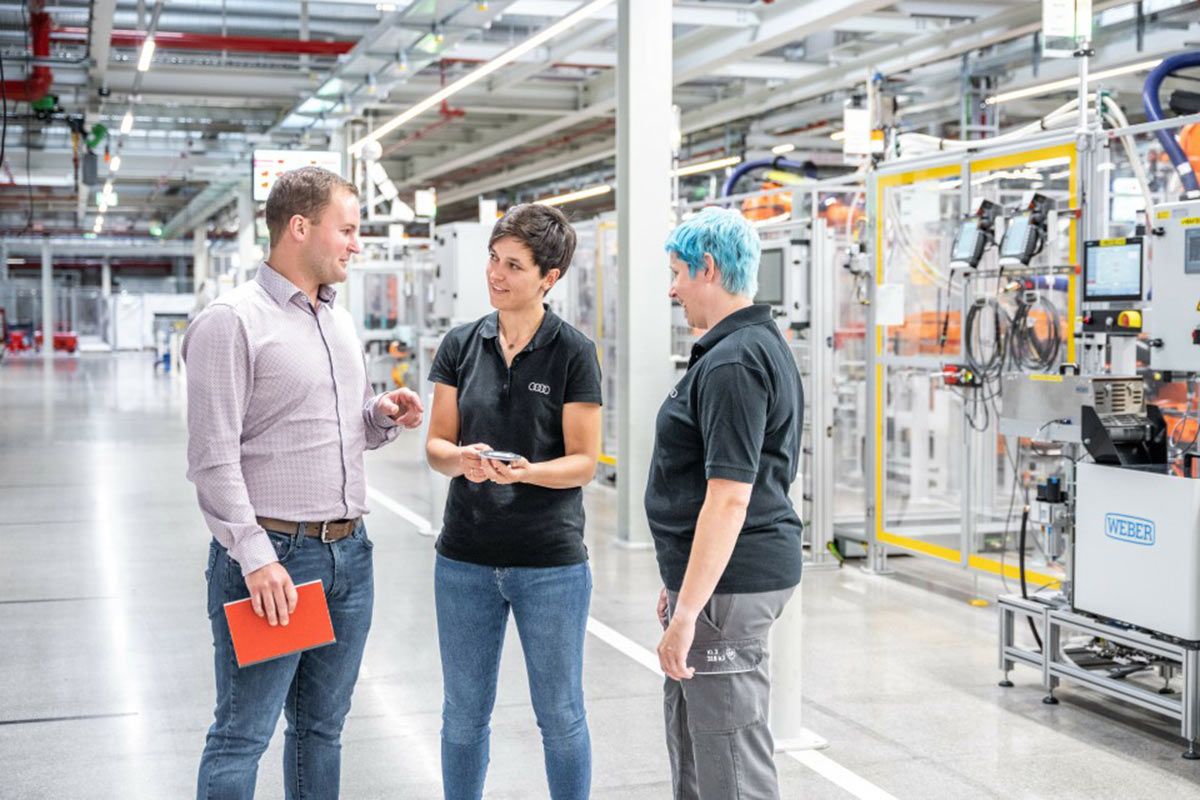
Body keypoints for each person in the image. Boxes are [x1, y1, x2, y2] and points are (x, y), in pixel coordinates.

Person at [184, 166, 424, 799]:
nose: (355, 244)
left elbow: (345, 427)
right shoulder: (231, 323)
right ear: (299, 227)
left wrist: (380, 417)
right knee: (243, 735)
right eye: (346, 229)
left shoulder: (335, 320)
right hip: (277, 563)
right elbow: (212, 460)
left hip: (350, 554)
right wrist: (257, 560)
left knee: (322, 730)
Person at [425, 203, 602, 800]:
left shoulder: (573, 351)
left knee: (560, 715)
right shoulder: (460, 344)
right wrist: (462, 459)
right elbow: (436, 445)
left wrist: (526, 473)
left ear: (549, 278)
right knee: (463, 714)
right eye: (493, 261)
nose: (496, 275)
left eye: (514, 266)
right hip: (464, 560)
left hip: (549, 564)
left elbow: (584, 461)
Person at [645, 207, 804, 800]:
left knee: (732, 763)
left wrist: (689, 613)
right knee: (696, 743)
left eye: (678, 272)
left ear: (707, 268)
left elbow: (732, 496)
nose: (672, 288)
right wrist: (681, 581)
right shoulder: (743, 346)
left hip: (730, 588)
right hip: (714, 581)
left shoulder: (735, 362)